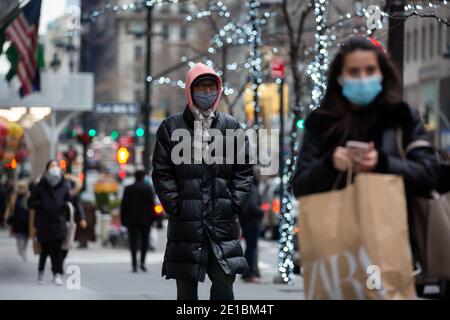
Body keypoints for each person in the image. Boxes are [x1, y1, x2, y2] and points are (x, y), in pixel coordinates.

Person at [291, 36, 440, 265]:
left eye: (370, 70)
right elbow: (300, 185)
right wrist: (331, 164)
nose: (362, 78)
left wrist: (382, 163)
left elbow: (429, 175)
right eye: (354, 72)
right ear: (340, 77)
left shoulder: (402, 117)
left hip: (394, 245)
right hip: (335, 249)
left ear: (382, 73)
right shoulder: (323, 122)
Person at [152, 62, 253, 300]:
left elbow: (244, 170)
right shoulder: (171, 127)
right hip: (187, 223)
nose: (206, 92)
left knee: (223, 285)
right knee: (186, 292)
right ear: (190, 90)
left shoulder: (231, 126)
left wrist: (234, 203)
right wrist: (176, 205)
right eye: (201, 86)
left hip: (222, 222)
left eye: (211, 86)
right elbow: (161, 171)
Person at [29, 160, 72, 285]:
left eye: (56, 166)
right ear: (47, 169)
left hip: (59, 222)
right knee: (44, 250)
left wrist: (64, 207)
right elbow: (31, 202)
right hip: (44, 222)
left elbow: (69, 202)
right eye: (52, 166)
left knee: (57, 251)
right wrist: (42, 204)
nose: (54, 168)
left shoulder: (64, 185)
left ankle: (57, 274)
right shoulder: (40, 185)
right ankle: (40, 273)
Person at [120, 170, 156, 273]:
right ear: (143, 177)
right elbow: (152, 205)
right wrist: (154, 219)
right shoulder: (148, 188)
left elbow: (124, 206)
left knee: (133, 242)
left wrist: (123, 220)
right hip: (146, 220)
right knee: (145, 242)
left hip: (132, 220)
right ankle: (143, 263)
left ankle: (134, 264)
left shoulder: (128, 189)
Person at [239, 175, 264, 283]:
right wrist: (262, 212)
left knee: (250, 248)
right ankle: (248, 273)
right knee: (251, 248)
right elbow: (252, 206)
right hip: (252, 222)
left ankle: (247, 272)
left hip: (247, 221)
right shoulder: (252, 188)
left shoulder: (247, 186)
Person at [61, 173, 87, 264]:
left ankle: (60, 262)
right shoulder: (57, 190)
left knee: (67, 242)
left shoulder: (74, 195)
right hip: (57, 219)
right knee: (58, 242)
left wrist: (82, 218)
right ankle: (57, 264)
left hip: (69, 219)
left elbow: (78, 205)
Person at [4, 180, 30, 261]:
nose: (21, 189)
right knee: (18, 237)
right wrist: (7, 216)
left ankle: (23, 250)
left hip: (27, 221)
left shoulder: (29, 196)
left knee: (26, 237)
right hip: (17, 220)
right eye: (20, 187)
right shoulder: (14, 196)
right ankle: (20, 250)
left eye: (23, 187)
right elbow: (9, 207)